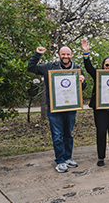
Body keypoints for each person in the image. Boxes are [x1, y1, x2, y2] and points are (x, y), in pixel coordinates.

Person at [28, 45, 86, 173]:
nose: (66, 56)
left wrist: (83, 81)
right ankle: (60, 161)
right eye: (63, 54)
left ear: (71, 55)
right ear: (59, 55)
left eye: (68, 54)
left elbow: (81, 88)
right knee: (57, 135)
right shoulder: (50, 67)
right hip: (55, 108)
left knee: (68, 134)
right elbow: (31, 68)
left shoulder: (77, 68)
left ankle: (68, 157)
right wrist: (37, 54)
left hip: (71, 107)